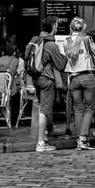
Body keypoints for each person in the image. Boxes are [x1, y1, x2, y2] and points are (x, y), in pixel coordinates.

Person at [63, 17, 95, 150]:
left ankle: (79, 141)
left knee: (78, 109)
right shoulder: (86, 39)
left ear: (71, 27)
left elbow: (67, 57)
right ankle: (83, 139)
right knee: (90, 108)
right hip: (87, 77)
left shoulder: (66, 41)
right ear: (82, 28)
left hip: (74, 79)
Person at [26, 18, 67, 152]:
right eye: (56, 25)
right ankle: (40, 143)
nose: (57, 27)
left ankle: (44, 137)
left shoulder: (36, 40)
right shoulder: (51, 45)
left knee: (42, 108)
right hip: (47, 79)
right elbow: (60, 65)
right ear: (53, 27)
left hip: (36, 78)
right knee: (44, 111)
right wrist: (65, 54)